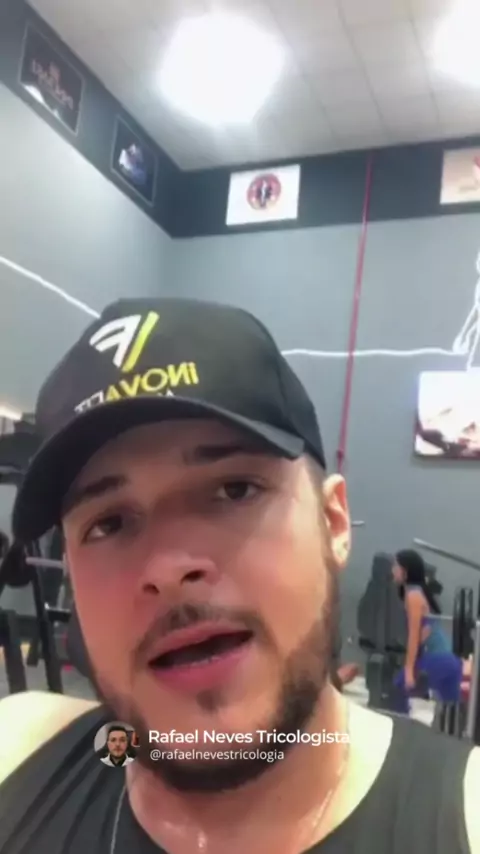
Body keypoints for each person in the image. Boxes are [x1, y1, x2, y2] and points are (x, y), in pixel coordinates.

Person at [0, 297, 479, 854]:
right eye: (108, 523)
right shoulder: (19, 750)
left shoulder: (464, 814)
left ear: (333, 522)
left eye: (234, 490)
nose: (168, 569)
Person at [391, 549, 466, 713]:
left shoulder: (413, 596)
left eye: (395, 566)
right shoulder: (417, 592)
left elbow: (413, 636)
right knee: (453, 710)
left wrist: (409, 670)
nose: (392, 570)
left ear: (405, 571)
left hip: (438, 658)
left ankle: (401, 727)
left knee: (398, 689)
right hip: (449, 660)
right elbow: (423, 633)